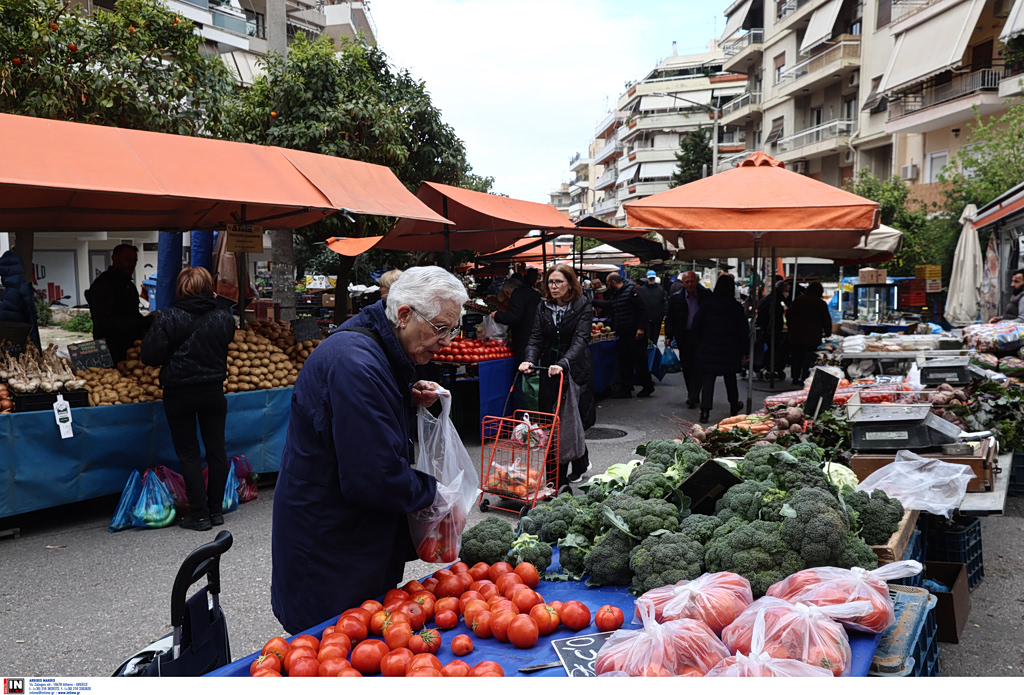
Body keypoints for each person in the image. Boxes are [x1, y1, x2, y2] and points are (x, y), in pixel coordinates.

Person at [271, 266, 467, 634]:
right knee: (330, 648)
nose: (446, 341)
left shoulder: (373, 349)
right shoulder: (356, 363)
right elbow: (374, 476)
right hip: (330, 546)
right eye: (440, 328)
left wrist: (402, 399)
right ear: (404, 314)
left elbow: (357, 422)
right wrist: (435, 494)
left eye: (452, 329)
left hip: (346, 535)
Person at [141, 267, 235, 531]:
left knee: (189, 454)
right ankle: (216, 511)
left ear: (181, 288)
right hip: (214, 391)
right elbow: (226, 341)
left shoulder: (169, 318)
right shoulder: (223, 317)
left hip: (180, 393)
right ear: (208, 286)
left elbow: (149, 355)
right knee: (217, 451)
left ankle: (199, 514)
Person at [521, 264, 596, 483]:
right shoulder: (543, 306)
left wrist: (564, 362)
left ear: (570, 284)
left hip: (575, 367)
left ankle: (558, 481)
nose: (553, 287)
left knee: (571, 419)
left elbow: (581, 339)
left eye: (558, 282)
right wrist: (529, 359)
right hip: (550, 366)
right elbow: (536, 337)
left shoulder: (583, 305)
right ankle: (561, 476)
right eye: (550, 282)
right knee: (553, 421)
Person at [692, 274, 748, 424]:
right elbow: (743, 330)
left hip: (708, 347)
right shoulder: (736, 307)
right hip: (730, 348)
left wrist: (698, 343)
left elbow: (696, 324)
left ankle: (705, 412)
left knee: (708, 380)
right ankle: (734, 407)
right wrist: (745, 350)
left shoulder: (708, 304)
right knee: (731, 379)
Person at [87, 244, 154, 363]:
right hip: (110, 350)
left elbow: (132, 313)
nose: (132, 264)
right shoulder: (104, 284)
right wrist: (140, 323)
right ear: (114, 259)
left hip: (130, 351)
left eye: (135, 260)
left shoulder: (129, 284)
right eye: (128, 259)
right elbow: (104, 322)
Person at [593, 273, 652, 398]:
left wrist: (641, 328)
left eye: (608, 283)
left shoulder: (632, 292)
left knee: (640, 360)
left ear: (613, 282)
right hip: (623, 333)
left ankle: (647, 386)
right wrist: (592, 302)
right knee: (625, 361)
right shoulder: (617, 294)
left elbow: (643, 310)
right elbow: (610, 305)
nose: (607, 286)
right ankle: (626, 388)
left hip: (635, 333)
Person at [665, 271, 711, 408]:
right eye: (687, 282)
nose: (690, 284)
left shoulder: (705, 296)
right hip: (683, 335)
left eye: (692, 281)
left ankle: (694, 394)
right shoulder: (676, 298)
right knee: (687, 365)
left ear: (697, 281)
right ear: (683, 283)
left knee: (699, 365)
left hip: (701, 336)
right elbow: (670, 318)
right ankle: (692, 392)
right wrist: (669, 336)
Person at [786, 281, 833, 385]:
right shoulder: (820, 303)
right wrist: (828, 332)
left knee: (796, 357)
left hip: (796, 335)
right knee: (808, 358)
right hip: (812, 337)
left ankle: (795, 377)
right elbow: (826, 319)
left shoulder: (798, 300)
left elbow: (789, 314)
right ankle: (805, 378)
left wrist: (791, 327)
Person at [492, 267, 541, 361]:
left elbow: (515, 316)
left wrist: (497, 315)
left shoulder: (518, 293)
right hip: (535, 334)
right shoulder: (534, 293)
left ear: (508, 292)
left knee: (523, 362)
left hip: (524, 336)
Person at [0, 250, 41, 349]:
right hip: (15, 338)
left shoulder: (15, 290)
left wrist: (36, 346)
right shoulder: (19, 288)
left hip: (16, 338)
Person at [756, 281, 790, 379]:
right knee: (773, 349)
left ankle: (770, 366)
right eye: (786, 290)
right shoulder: (773, 300)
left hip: (771, 329)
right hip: (770, 330)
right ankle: (769, 366)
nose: (787, 293)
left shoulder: (774, 298)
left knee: (774, 348)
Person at [638, 269, 667, 347]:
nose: (651, 280)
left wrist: (665, 313)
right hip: (646, 317)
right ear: (647, 278)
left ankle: (654, 348)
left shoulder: (661, 290)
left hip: (657, 317)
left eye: (652, 278)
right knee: (646, 337)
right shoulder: (641, 290)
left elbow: (664, 302)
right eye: (650, 278)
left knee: (655, 336)